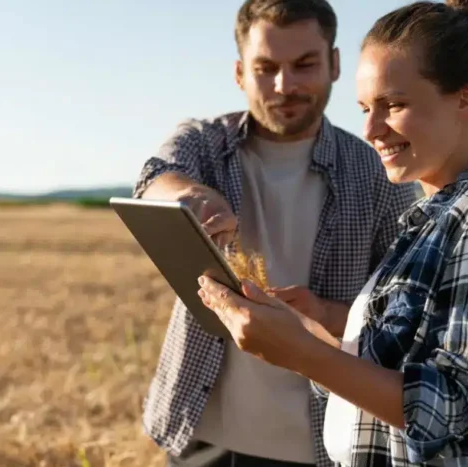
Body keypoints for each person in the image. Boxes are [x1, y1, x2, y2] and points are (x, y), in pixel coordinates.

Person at [196, 0, 468, 466]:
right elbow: (384, 375)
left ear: (467, 97)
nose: (370, 128)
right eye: (366, 107)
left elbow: (458, 411)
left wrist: (302, 352)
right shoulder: (429, 220)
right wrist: (301, 330)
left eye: (394, 105)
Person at [131, 0, 417, 465]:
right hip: (202, 435)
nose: (285, 86)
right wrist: (192, 198)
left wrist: (324, 314)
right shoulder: (205, 143)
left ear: (335, 65)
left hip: (322, 444)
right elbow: (155, 178)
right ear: (241, 73)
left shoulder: (377, 174)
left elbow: (401, 323)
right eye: (266, 69)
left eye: (304, 65)